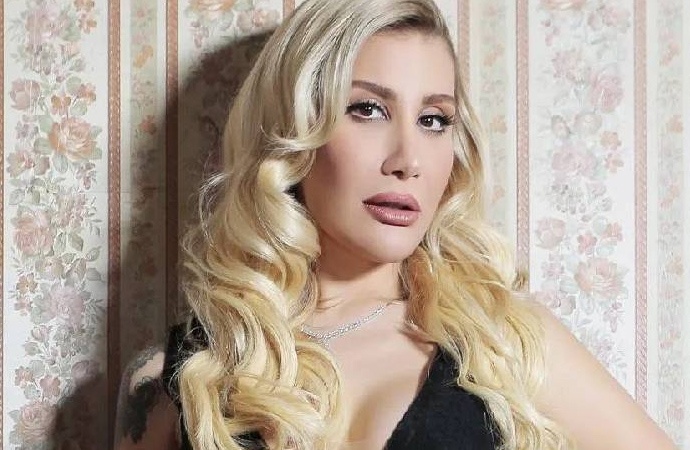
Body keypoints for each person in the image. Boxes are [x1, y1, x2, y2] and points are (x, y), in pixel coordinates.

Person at [114, 0, 678, 449]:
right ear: (294, 129)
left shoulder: (505, 344)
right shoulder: (180, 377)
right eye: (367, 109)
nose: (409, 159)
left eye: (434, 120)